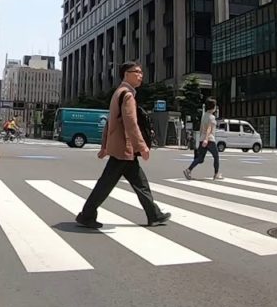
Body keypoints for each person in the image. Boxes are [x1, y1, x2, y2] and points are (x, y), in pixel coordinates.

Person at [75, 62, 171, 229]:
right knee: (106, 184)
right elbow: (131, 123)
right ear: (126, 74)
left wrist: (105, 146)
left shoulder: (118, 93)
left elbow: (110, 122)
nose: (141, 75)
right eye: (137, 72)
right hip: (124, 149)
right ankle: (87, 215)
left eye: (141, 72)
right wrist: (142, 146)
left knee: (139, 184)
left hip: (123, 149)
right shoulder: (127, 95)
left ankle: (154, 215)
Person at [184, 98, 223, 181]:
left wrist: (202, 139)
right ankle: (216, 174)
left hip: (202, 139)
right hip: (209, 139)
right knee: (216, 156)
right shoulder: (212, 117)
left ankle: (188, 170)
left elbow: (202, 128)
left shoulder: (204, 116)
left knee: (200, 158)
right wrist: (206, 139)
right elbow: (209, 128)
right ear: (213, 107)